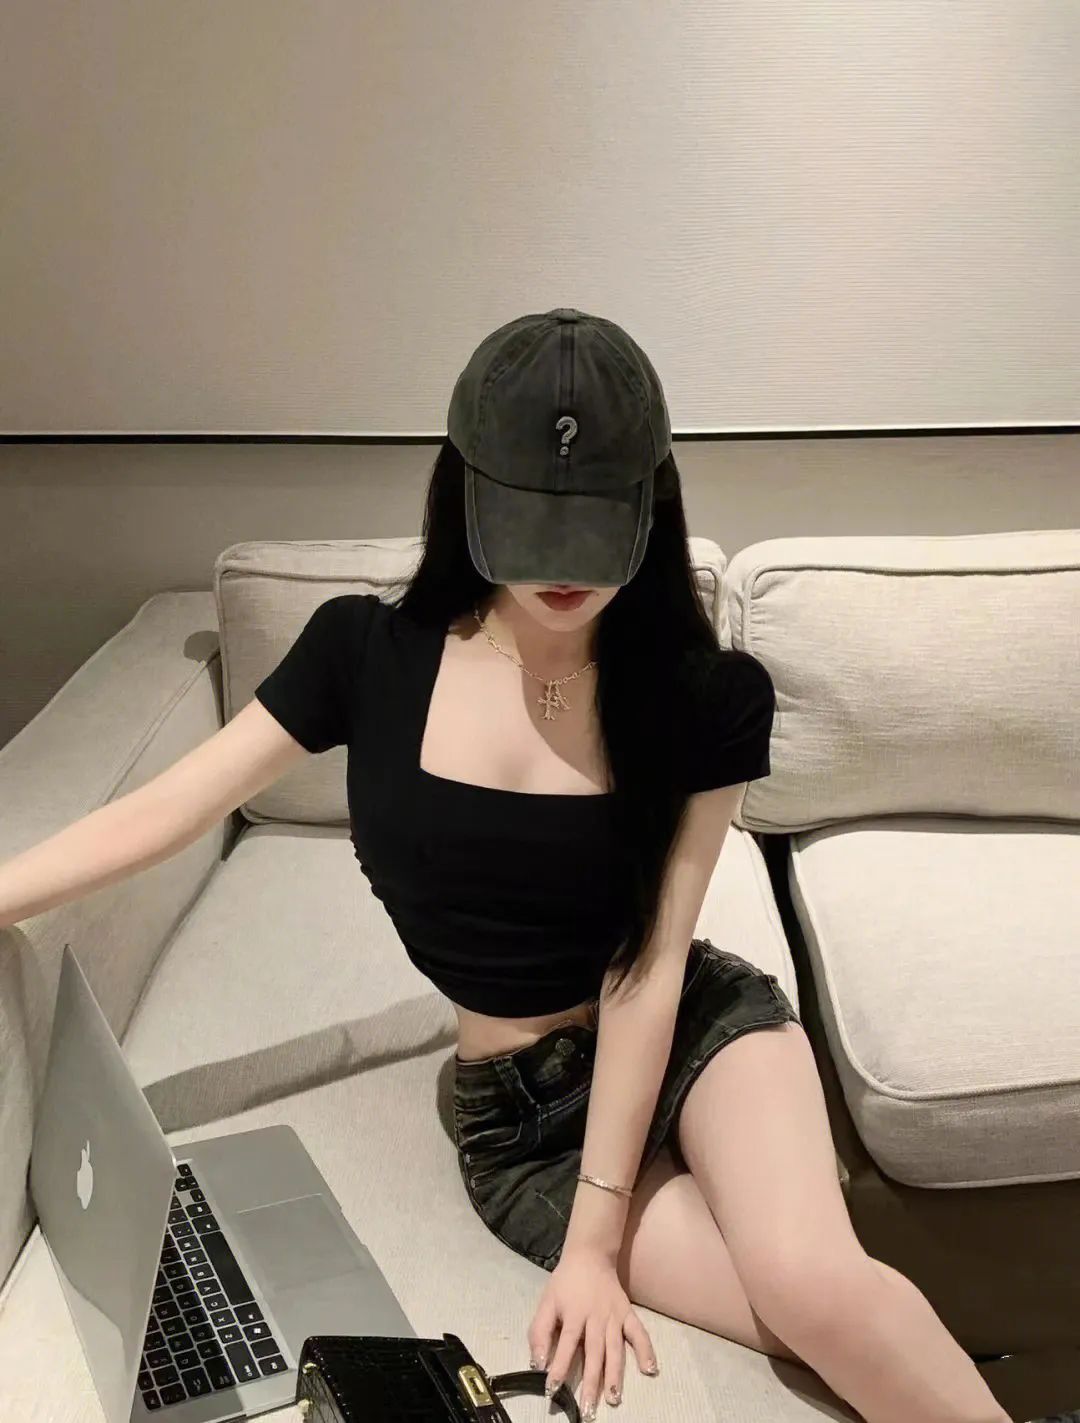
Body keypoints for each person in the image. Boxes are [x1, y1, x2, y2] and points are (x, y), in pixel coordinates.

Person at [1, 309, 1019, 1423]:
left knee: (810, 1286)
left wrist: (595, 1241)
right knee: (796, 1321)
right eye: (532, 523)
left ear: (649, 507)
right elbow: (171, 805)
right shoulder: (364, 652)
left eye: (593, 528)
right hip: (519, 1127)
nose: (562, 571)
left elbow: (651, 963)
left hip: (695, 1033)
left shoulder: (702, 694)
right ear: (468, 496)